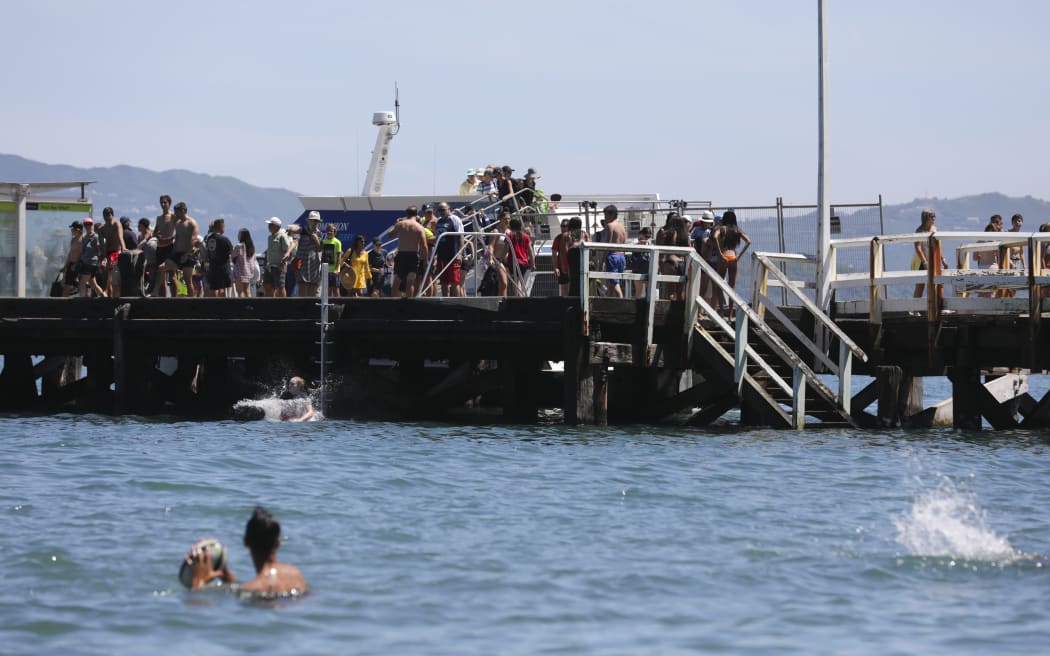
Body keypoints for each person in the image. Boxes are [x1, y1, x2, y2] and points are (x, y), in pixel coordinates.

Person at [183, 506, 308, 597]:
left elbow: (197, 603)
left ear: (246, 542)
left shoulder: (253, 589)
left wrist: (198, 582)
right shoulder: (296, 575)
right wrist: (227, 576)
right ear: (277, 543)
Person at [710, 210, 751, 311]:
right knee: (732, 286)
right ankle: (731, 314)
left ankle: (721, 312)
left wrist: (719, 253)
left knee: (720, 285)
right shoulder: (737, 230)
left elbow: (715, 237)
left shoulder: (721, 229)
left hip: (723, 258)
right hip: (733, 258)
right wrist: (739, 256)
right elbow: (748, 241)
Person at [387, 206, 429, 298]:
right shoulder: (419, 227)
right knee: (410, 281)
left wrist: (396, 223)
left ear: (407, 214)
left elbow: (389, 235)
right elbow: (424, 246)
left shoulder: (400, 224)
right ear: (417, 215)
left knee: (397, 281)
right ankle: (409, 304)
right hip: (413, 255)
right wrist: (425, 261)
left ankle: (393, 304)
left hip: (401, 254)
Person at [168, 202, 200, 297]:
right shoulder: (178, 223)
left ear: (184, 211)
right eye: (175, 211)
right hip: (177, 253)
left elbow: (193, 241)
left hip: (189, 254)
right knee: (162, 268)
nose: (176, 214)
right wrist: (173, 253)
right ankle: (156, 291)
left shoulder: (191, 223)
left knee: (187, 279)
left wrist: (186, 255)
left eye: (178, 211)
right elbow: (177, 238)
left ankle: (191, 300)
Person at [434, 202, 465, 297]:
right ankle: (445, 303)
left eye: (443, 210)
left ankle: (456, 303)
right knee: (443, 282)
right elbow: (437, 239)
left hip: (453, 255)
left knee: (455, 282)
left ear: (448, 209)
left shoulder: (455, 219)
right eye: (439, 210)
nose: (441, 212)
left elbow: (461, 236)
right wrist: (435, 255)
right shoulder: (438, 221)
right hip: (441, 255)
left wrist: (460, 253)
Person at [599, 205, 627, 298]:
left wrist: (602, 261)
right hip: (621, 256)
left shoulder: (610, 226)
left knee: (615, 285)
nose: (605, 218)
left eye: (606, 215)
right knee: (612, 284)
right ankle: (609, 305)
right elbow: (624, 242)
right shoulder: (622, 227)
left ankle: (622, 303)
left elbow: (608, 244)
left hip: (613, 256)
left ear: (612, 215)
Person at [98, 207, 126, 297]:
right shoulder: (102, 229)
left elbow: (120, 237)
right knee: (103, 266)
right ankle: (106, 291)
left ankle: (108, 291)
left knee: (112, 270)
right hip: (108, 252)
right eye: (105, 215)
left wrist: (124, 249)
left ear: (112, 215)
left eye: (109, 214)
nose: (107, 216)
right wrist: (104, 257)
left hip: (117, 251)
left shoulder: (117, 224)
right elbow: (102, 245)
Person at [911, 209, 940, 298]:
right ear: (926, 218)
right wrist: (925, 262)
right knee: (920, 285)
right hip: (921, 260)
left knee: (934, 284)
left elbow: (938, 246)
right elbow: (918, 248)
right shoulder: (919, 231)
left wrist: (942, 259)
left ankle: (933, 307)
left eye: (934, 216)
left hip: (933, 259)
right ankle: (915, 309)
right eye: (932, 216)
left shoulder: (935, 229)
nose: (934, 218)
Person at [152, 195, 176, 296]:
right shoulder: (159, 218)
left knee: (172, 275)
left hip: (170, 247)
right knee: (161, 275)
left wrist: (170, 238)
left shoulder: (173, 217)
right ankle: (163, 299)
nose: (163, 204)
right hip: (160, 247)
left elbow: (178, 231)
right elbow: (155, 232)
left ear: (169, 204)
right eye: (161, 202)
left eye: (165, 202)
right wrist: (157, 235)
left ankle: (175, 299)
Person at [264, 217, 294, 297]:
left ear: (276, 226)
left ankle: (284, 305)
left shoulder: (282, 236)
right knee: (268, 286)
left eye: (271, 225)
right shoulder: (270, 237)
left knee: (280, 287)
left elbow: (287, 252)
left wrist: (283, 264)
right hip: (269, 266)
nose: (269, 226)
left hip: (279, 267)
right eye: (269, 225)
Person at [297, 211, 324, 297]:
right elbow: (294, 242)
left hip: (314, 263)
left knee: (313, 285)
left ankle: (311, 306)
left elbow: (320, 249)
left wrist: (316, 239)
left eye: (316, 221)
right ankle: (302, 307)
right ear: (308, 221)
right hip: (303, 262)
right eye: (312, 220)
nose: (314, 223)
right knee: (302, 284)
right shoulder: (301, 231)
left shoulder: (319, 233)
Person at [204, 219, 233, 297]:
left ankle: (214, 306)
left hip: (212, 267)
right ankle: (222, 306)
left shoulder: (209, 239)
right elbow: (231, 252)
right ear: (221, 227)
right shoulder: (224, 239)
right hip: (223, 268)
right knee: (222, 289)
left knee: (214, 288)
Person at [505, 216, 533, 296]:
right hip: (524, 262)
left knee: (517, 284)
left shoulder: (509, 235)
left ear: (510, 226)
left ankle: (519, 300)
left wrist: (500, 259)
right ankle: (521, 297)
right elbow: (530, 251)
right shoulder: (526, 236)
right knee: (520, 282)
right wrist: (533, 263)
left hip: (514, 263)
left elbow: (505, 249)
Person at [78, 218, 106, 297]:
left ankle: (81, 302)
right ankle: (105, 298)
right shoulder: (84, 237)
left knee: (82, 283)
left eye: (89, 224)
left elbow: (101, 250)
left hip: (92, 263)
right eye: (86, 224)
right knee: (93, 284)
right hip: (85, 263)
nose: (88, 226)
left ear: (92, 225)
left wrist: (103, 260)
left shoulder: (96, 237)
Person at [232, 228, 258, 298]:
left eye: (239, 234)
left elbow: (233, 256)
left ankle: (242, 307)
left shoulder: (238, 246)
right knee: (247, 291)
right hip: (249, 271)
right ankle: (250, 306)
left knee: (240, 292)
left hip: (239, 271)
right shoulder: (251, 246)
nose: (237, 236)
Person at [62, 221, 84, 297]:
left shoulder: (83, 240)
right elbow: (70, 254)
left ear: (78, 230)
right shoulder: (73, 239)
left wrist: (76, 264)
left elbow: (82, 254)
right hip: (71, 265)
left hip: (79, 265)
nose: (71, 230)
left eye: (73, 229)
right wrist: (65, 266)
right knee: (66, 287)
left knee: (83, 286)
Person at [630, 226, 653, 298]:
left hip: (647, 269)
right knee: (638, 291)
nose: (647, 238)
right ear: (641, 234)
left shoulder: (649, 243)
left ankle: (646, 307)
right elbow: (630, 247)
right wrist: (639, 243)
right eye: (646, 236)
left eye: (649, 237)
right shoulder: (635, 241)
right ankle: (638, 307)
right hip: (638, 269)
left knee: (648, 290)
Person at [551, 219, 571, 296]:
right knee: (564, 289)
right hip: (562, 267)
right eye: (562, 226)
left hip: (572, 267)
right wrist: (555, 267)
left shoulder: (573, 238)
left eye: (565, 226)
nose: (563, 228)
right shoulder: (558, 238)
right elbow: (554, 254)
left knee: (571, 289)